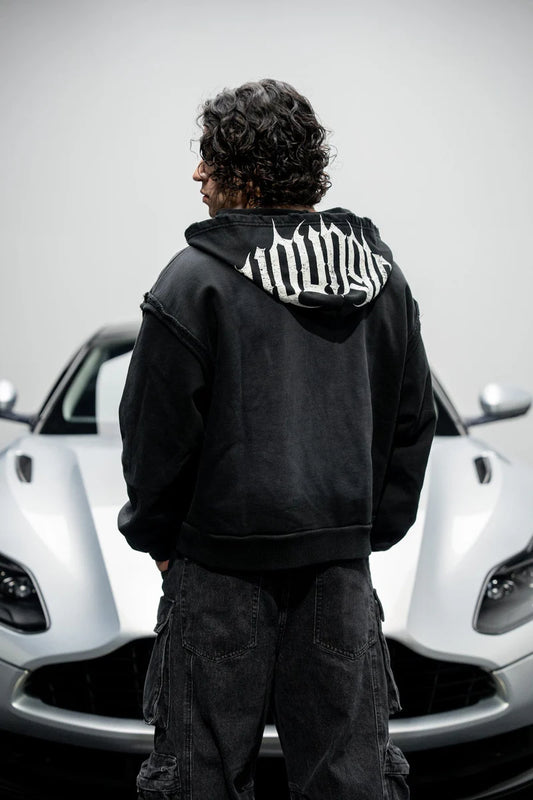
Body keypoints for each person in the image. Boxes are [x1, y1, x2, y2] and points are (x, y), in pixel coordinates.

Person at [118, 78, 436, 800]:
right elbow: (412, 421)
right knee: (347, 784)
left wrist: (160, 541)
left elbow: (155, 435)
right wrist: (365, 532)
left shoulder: (193, 282)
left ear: (248, 173)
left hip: (216, 572)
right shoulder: (383, 282)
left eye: (209, 157)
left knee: (199, 783)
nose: (196, 173)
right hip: (338, 574)